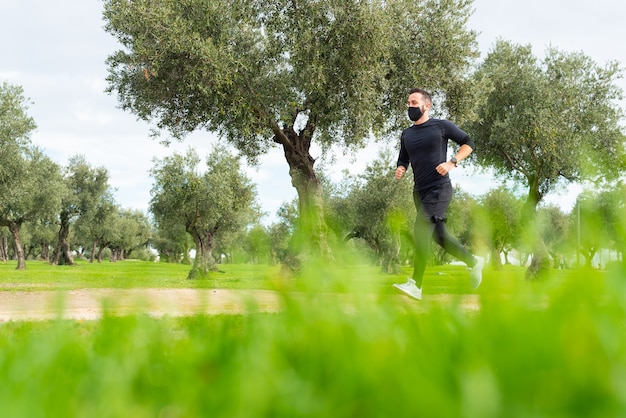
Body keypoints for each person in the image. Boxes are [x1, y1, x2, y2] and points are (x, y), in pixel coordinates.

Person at [392, 88, 484, 300]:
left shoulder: (441, 126)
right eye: (408, 103)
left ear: (427, 105)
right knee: (440, 236)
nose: (410, 107)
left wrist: (452, 162)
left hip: (439, 188)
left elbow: (469, 143)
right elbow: (403, 157)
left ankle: (416, 284)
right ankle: (473, 262)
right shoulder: (407, 134)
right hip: (419, 192)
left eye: (414, 103)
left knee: (420, 229)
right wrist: (401, 168)